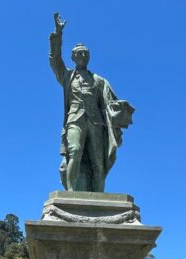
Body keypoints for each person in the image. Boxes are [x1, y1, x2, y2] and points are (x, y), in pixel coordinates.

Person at [49, 12, 134, 192]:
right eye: (79, 53)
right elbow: (55, 60)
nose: (83, 55)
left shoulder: (99, 80)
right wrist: (58, 34)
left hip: (96, 122)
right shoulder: (67, 76)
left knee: (98, 162)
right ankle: (71, 195)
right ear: (73, 57)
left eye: (86, 53)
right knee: (75, 151)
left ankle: (98, 198)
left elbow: (110, 102)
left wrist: (120, 109)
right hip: (75, 119)